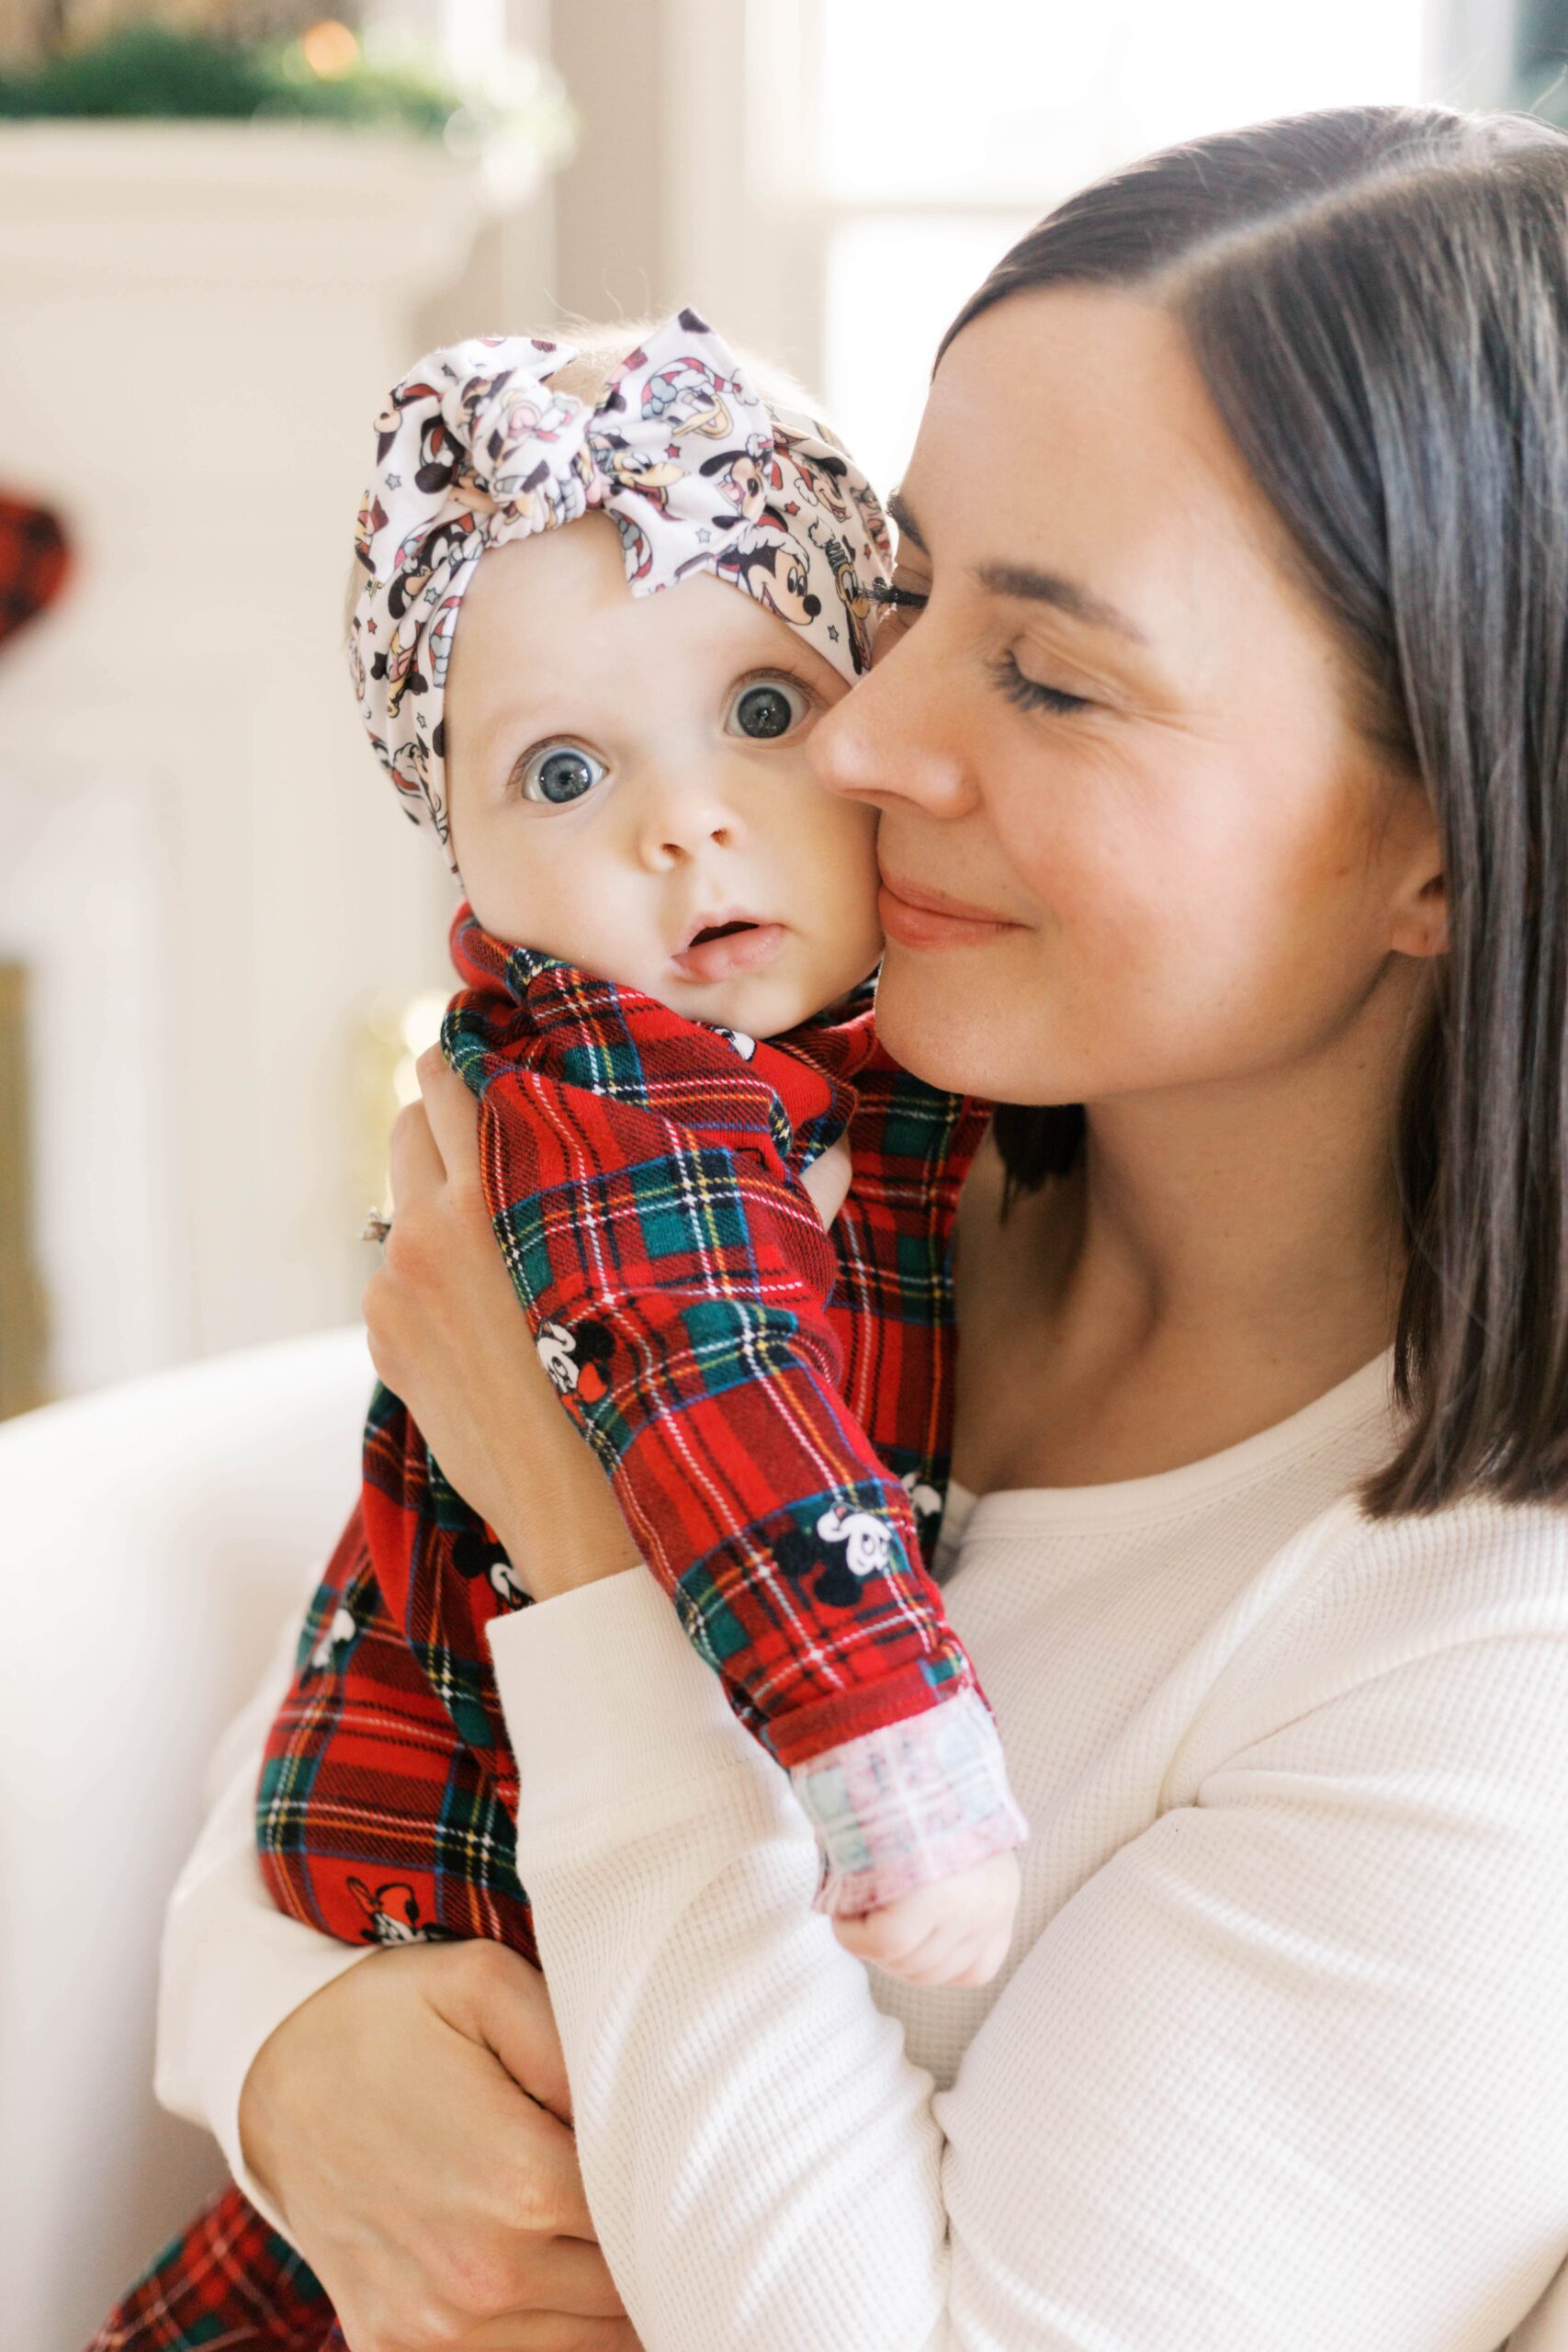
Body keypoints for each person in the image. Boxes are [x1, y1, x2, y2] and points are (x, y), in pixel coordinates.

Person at [132, 101, 1568, 2351]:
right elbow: (362, 1656)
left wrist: (603, 1550)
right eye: (891, 603)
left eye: (1052, 674)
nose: (866, 739)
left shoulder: (1490, 1666)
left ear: (1451, 839)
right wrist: (284, 2057)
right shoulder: (836, 1147)